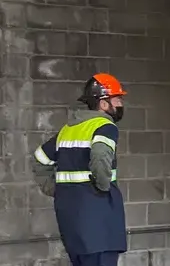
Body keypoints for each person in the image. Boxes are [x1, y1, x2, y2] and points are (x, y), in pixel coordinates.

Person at [32, 73, 128, 266]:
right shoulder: (105, 126)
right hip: (99, 223)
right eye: (116, 99)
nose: (120, 104)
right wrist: (103, 186)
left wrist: (57, 189)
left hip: (72, 224)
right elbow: (100, 155)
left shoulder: (68, 130)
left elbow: (39, 158)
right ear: (103, 103)